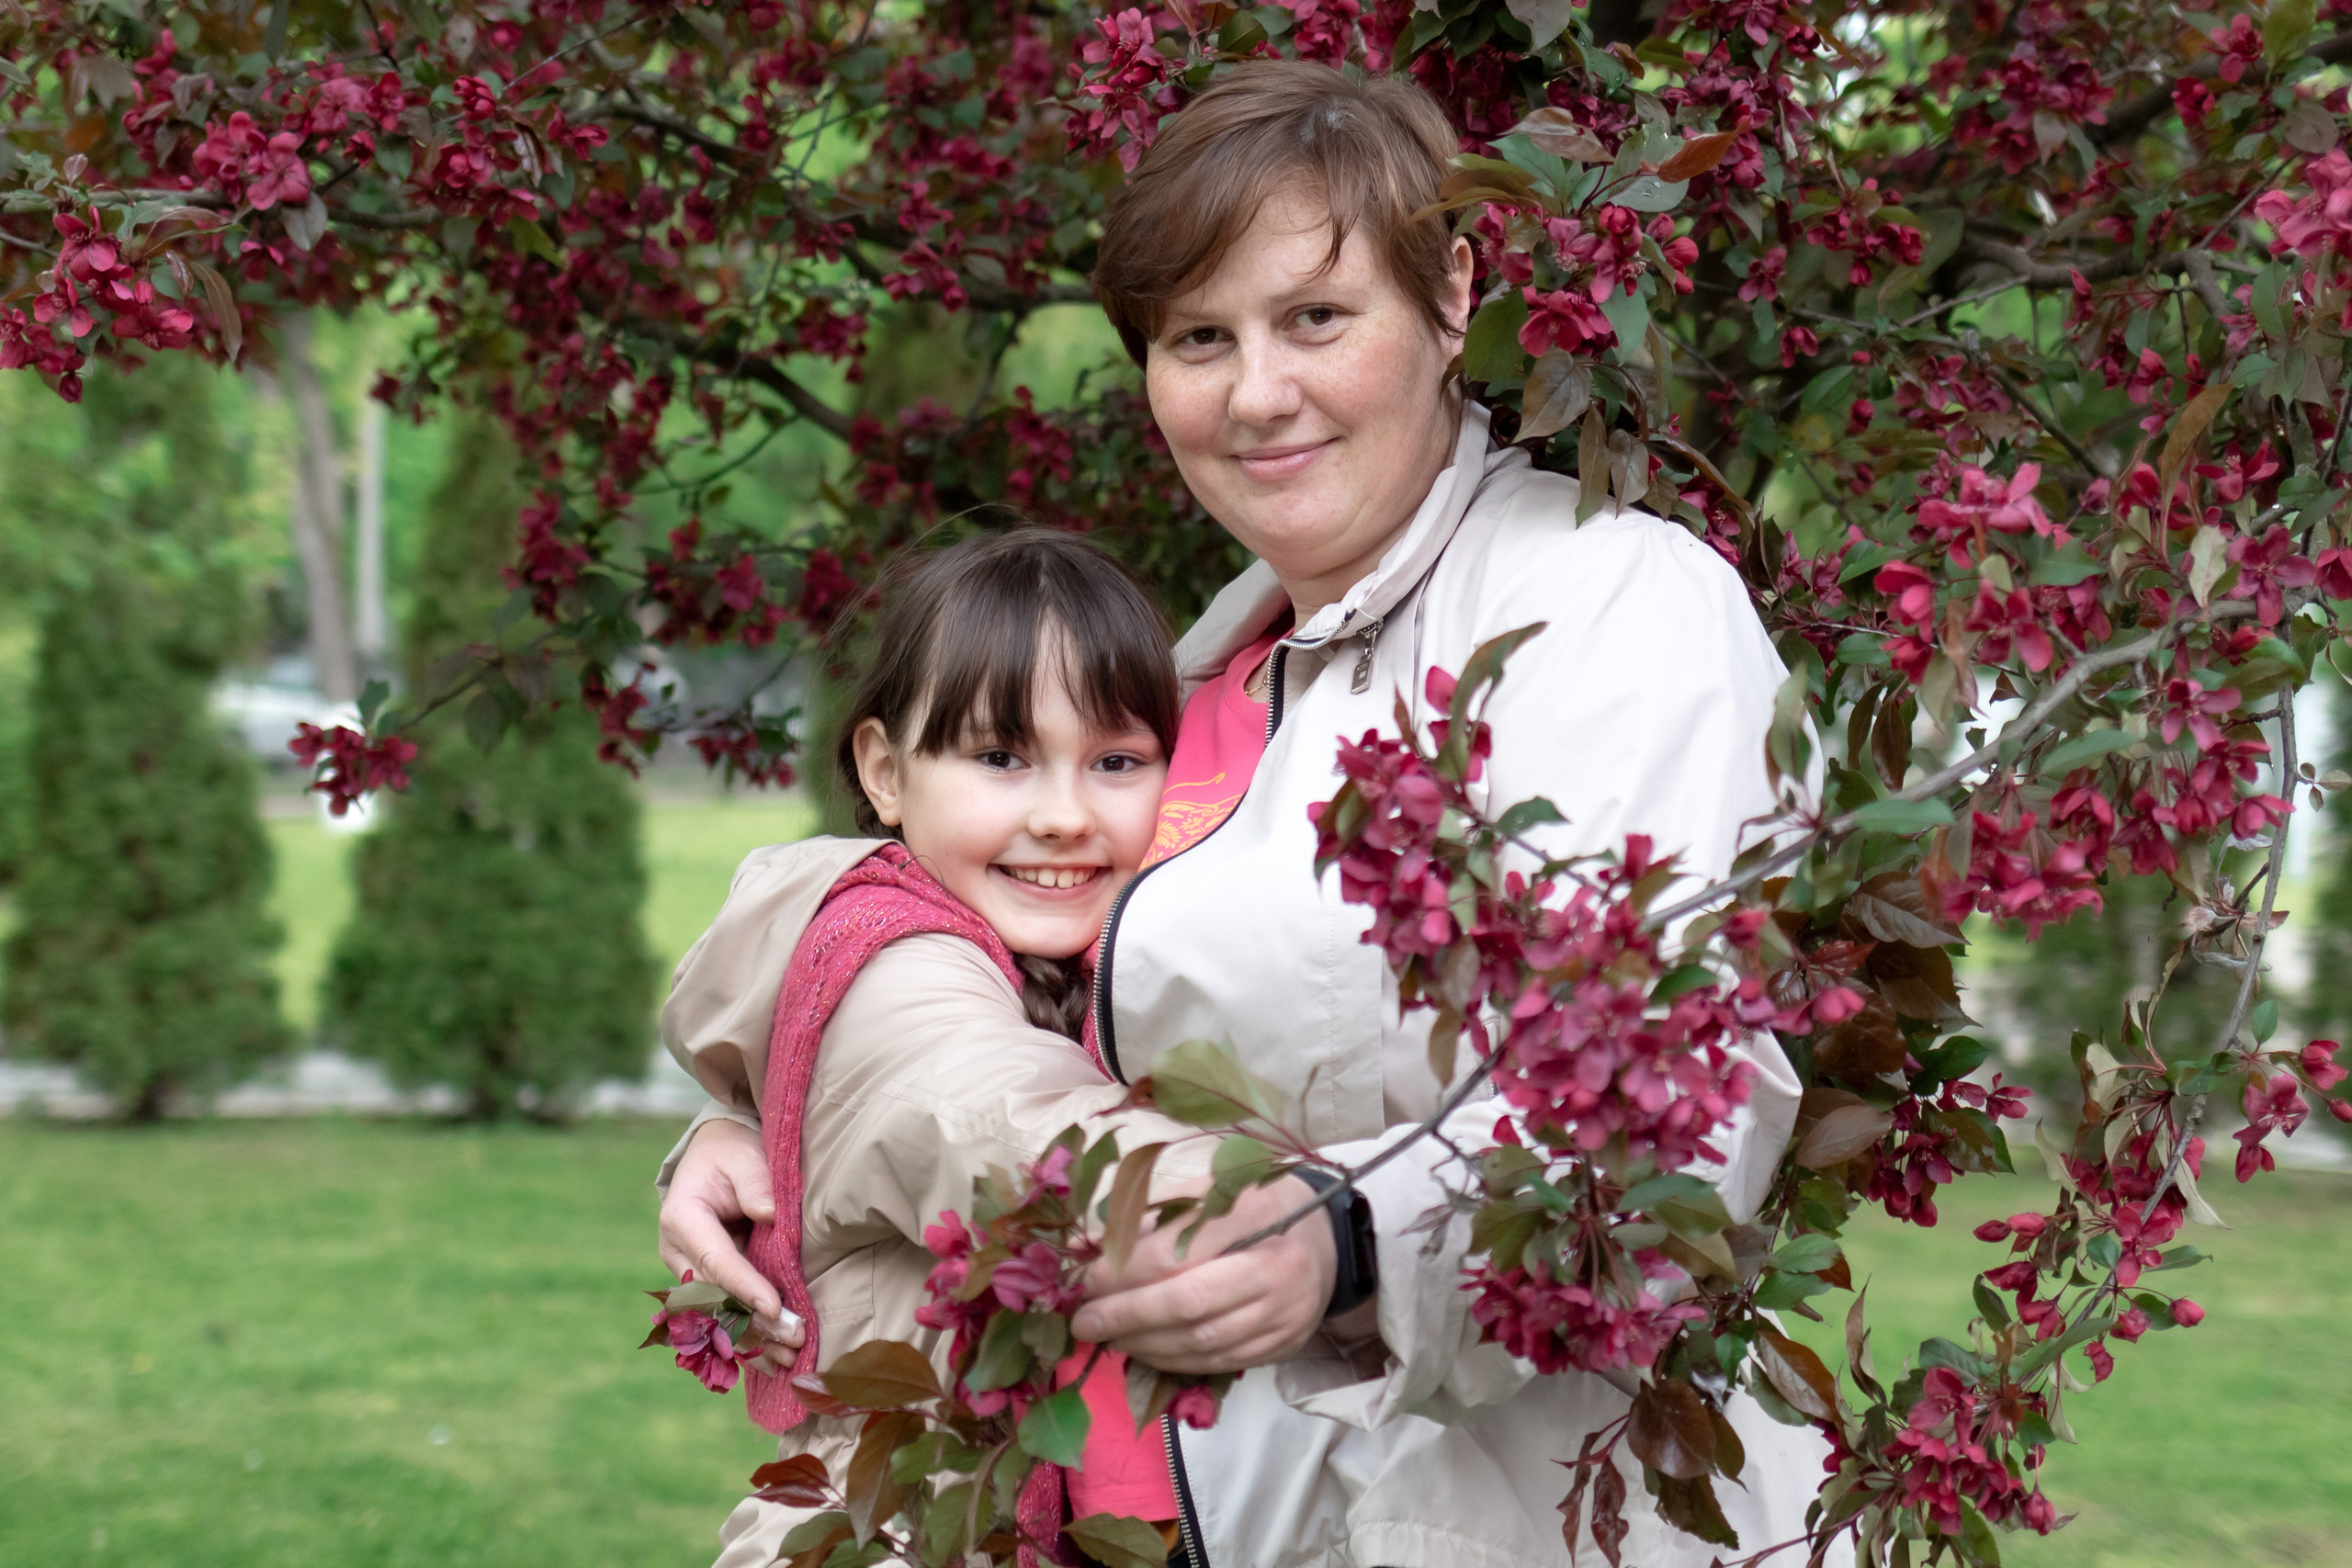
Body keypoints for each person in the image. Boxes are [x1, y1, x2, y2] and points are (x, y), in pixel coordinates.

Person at [661, 61, 1838, 1568]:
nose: (1257, 392)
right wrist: (768, 1106)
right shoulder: (1206, 668)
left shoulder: (1607, 606)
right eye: (1199, 338)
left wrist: (1352, 1245)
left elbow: (1678, 1097)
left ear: (1453, 291)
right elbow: (997, 946)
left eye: (1315, 320)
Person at [672, 529, 1233, 1561]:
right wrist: (1353, 1219)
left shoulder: (1078, 968)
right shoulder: (890, 964)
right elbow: (1001, 1123)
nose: (1064, 814)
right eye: (999, 757)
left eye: (1116, 761)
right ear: (886, 772)